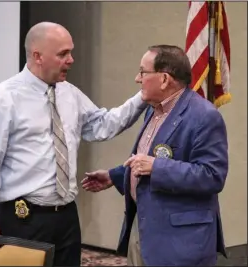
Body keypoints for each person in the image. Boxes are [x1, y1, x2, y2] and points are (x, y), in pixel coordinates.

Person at [0, 21, 147, 266]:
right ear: (37, 56)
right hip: (23, 218)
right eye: (63, 54)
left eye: (71, 52)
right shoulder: (4, 98)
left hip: (65, 216)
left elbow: (102, 125)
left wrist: (143, 97)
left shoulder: (69, 93)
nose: (71, 60)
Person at [82, 45, 228, 266]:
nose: (137, 78)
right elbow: (148, 159)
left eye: (143, 72)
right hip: (142, 230)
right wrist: (115, 176)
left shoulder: (204, 116)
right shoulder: (153, 110)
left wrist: (157, 168)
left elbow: (212, 175)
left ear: (164, 79)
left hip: (180, 241)